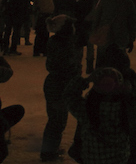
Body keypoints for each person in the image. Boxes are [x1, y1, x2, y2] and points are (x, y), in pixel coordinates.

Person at [40, 15, 81, 162]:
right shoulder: (64, 44)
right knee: (57, 121)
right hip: (59, 85)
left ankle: (51, 149)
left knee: (57, 120)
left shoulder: (57, 41)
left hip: (55, 84)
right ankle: (48, 153)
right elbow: (67, 66)